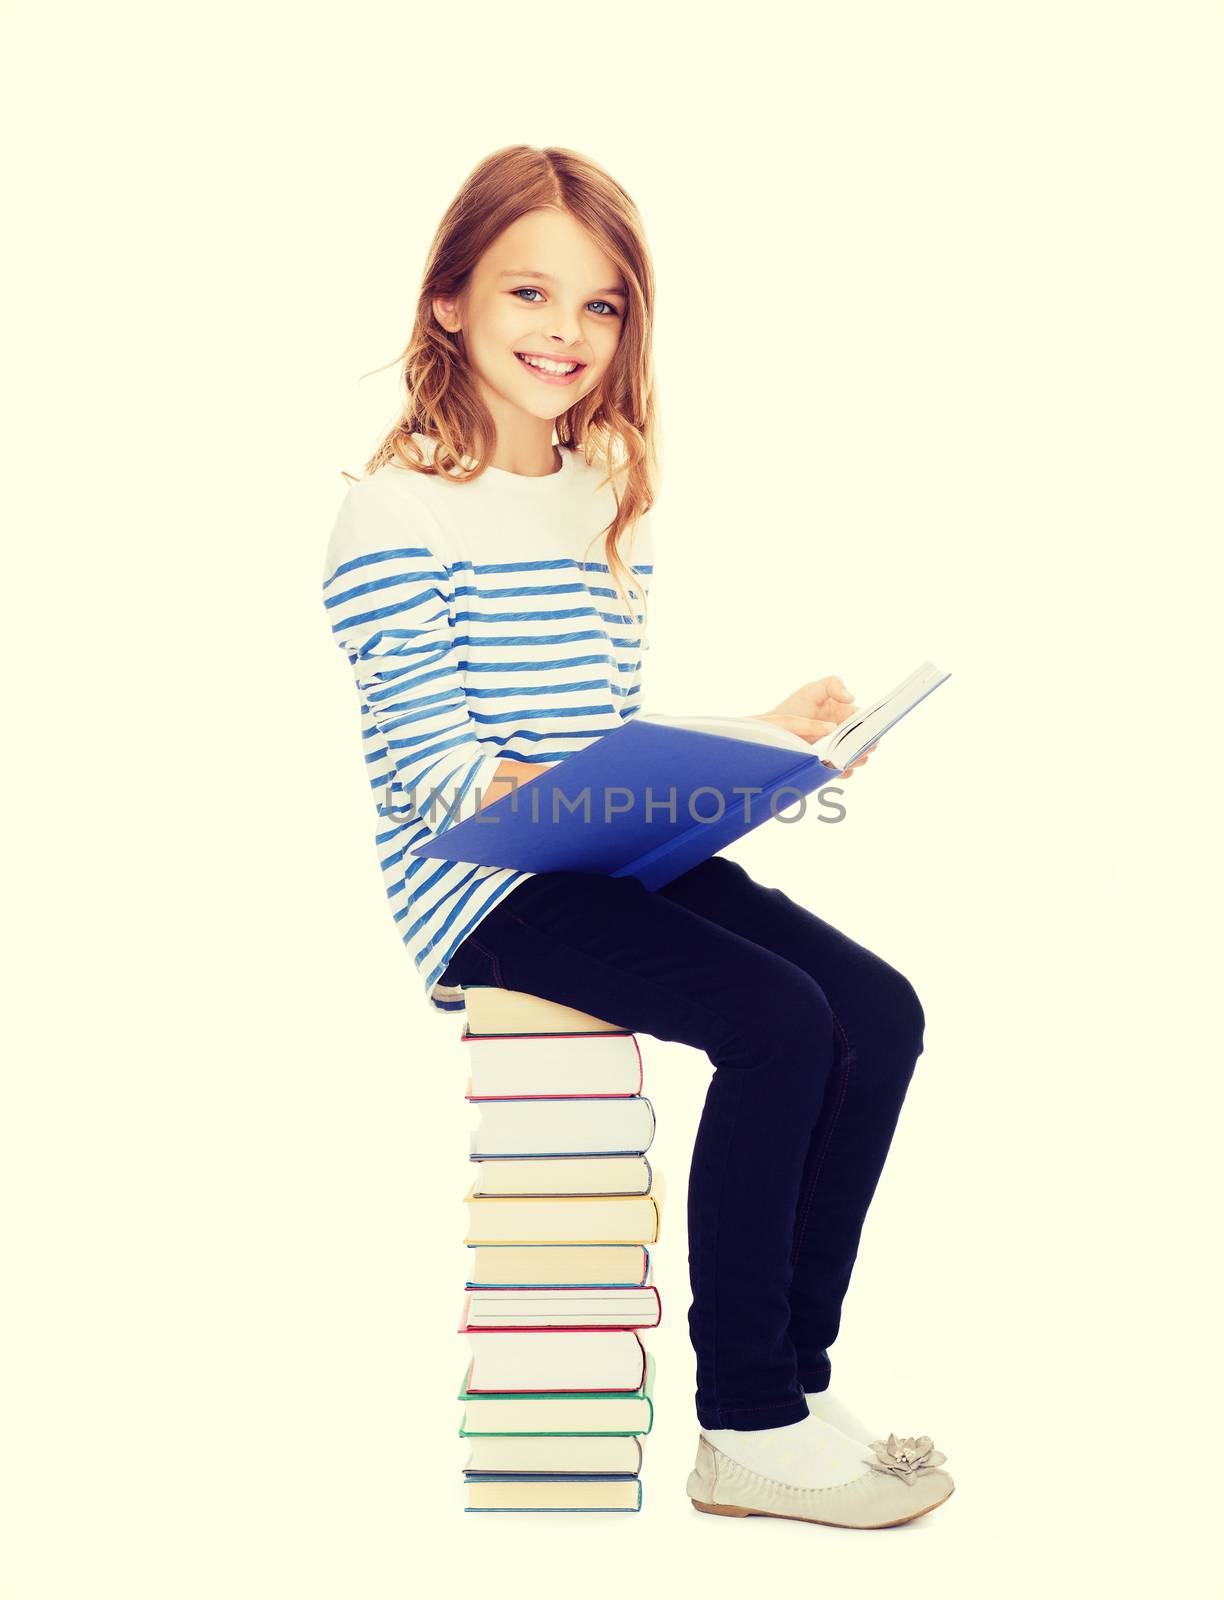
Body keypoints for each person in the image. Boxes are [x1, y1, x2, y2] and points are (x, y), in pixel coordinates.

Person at [321, 144, 953, 1529]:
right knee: (782, 1023)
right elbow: (437, 770)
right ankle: (743, 1421)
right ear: (448, 305)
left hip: (604, 846)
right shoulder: (394, 511)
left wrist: (756, 736)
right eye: (528, 294)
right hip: (485, 886)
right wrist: (601, 791)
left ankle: (792, 1376)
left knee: (879, 1012)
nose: (563, 332)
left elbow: (599, 724)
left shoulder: (607, 487)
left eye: (599, 306)